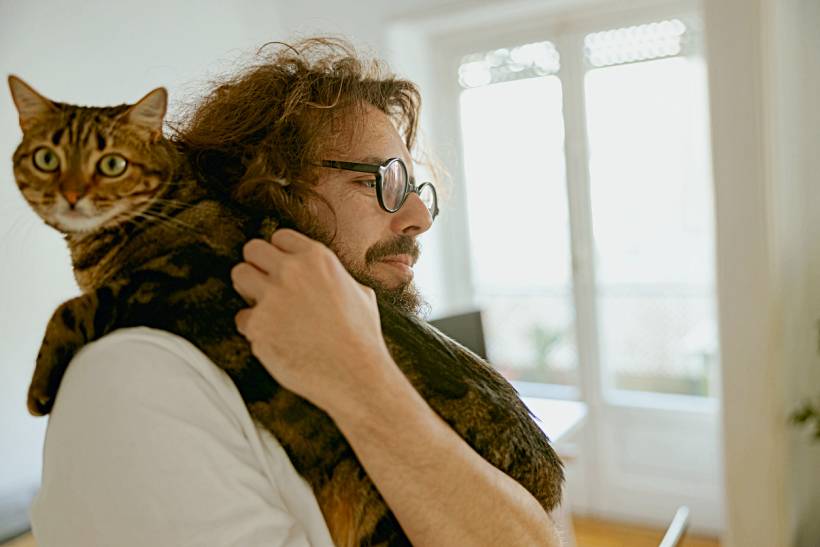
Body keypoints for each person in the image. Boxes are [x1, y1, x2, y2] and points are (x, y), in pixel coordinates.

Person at [30, 38, 562, 546]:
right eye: (382, 180)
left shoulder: (384, 354)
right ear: (270, 189)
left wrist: (362, 377)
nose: (420, 216)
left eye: (415, 189)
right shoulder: (134, 379)